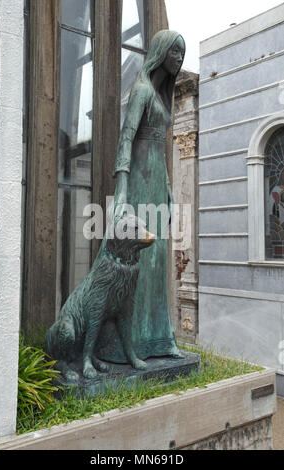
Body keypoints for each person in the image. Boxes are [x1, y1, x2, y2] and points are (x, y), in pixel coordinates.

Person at [95, 30, 186, 364]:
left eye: (182, 53)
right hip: (136, 187)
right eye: (175, 51)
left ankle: (160, 339)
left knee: (157, 262)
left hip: (156, 185)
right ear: (161, 52)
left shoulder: (161, 95)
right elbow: (126, 138)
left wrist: (167, 188)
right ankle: (119, 345)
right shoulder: (143, 90)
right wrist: (121, 187)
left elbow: (160, 149)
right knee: (138, 263)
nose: (179, 58)